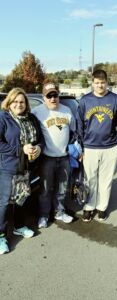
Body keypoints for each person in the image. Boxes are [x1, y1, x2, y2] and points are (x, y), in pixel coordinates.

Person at [0, 87, 43, 255]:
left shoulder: (31, 118)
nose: (19, 104)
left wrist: (38, 148)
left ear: (26, 104)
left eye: (22, 102)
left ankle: (18, 226)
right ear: (9, 103)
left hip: (26, 167)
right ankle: (1, 235)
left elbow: (40, 139)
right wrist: (20, 149)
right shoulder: (3, 118)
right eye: (15, 101)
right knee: (4, 203)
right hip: (7, 167)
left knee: (20, 198)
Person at [76, 69, 117, 222]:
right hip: (90, 147)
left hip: (110, 147)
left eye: (102, 83)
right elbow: (79, 125)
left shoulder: (116, 99)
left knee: (106, 180)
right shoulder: (85, 100)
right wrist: (82, 147)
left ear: (107, 83)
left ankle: (102, 207)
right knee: (90, 179)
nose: (100, 85)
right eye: (97, 83)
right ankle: (89, 207)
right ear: (92, 83)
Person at [32, 82, 75, 228]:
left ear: (58, 95)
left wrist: (75, 149)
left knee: (62, 188)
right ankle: (43, 215)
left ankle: (60, 212)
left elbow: (74, 133)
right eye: (49, 96)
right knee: (45, 189)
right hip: (46, 158)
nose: (52, 99)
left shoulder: (67, 110)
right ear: (44, 97)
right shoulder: (37, 112)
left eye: (55, 95)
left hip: (64, 157)